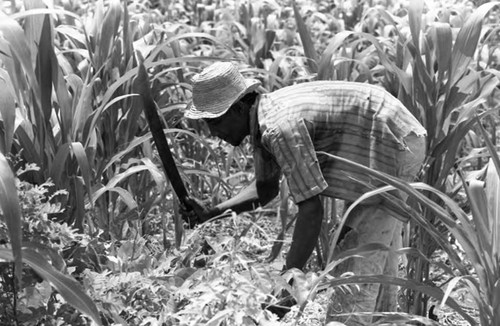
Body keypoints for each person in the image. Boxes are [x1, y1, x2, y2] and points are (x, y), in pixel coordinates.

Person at [182, 61, 426, 322]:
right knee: (373, 254)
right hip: (386, 133)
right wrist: (212, 213)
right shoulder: (262, 121)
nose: (213, 132)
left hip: (392, 138)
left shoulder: (279, 127)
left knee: (355, 258)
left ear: (239, 108)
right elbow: (265, 189)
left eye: (215, 121)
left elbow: (311, 210)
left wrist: (287, 285)